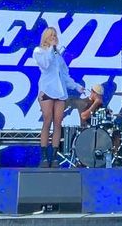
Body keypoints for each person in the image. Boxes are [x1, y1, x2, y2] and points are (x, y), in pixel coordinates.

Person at [32, 26, 84, 167]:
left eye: (55, 35)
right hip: (47, 90)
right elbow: (45, 65)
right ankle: (44, 156)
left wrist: (76, 86)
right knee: (47, 120)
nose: (54, 37)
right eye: (51, 35)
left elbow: (64, 76)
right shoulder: (39, 51)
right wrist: (51, 49)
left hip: (60, 93)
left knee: (58, 123)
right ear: (46, 37)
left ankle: (54, 157)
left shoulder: (58, 57)